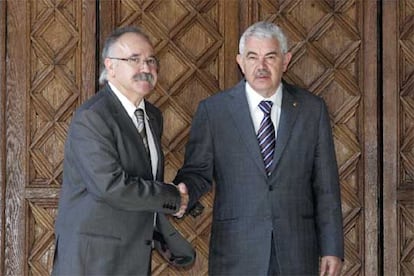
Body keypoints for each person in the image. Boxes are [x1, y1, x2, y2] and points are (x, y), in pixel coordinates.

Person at [174, 21, 344, 275]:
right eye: (252, 57)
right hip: (236, 252)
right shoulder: (214, 111)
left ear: (285, 61)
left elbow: (326, 186)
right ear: (240, 62)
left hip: (296, 253)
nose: (261, 66)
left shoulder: (312, 110)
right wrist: (183, 192)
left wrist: (332, 248)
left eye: (270, 57)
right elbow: (197, 172)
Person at [52, 26, 194, 276]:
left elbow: (145, 179)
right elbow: (111, 186)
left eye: (151, 60)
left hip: (134, 256)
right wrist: (171, 197)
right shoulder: (93, 117)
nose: (145, 68)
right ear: (111, 66)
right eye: (134, 60)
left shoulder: (153, 116)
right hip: (93, 262)